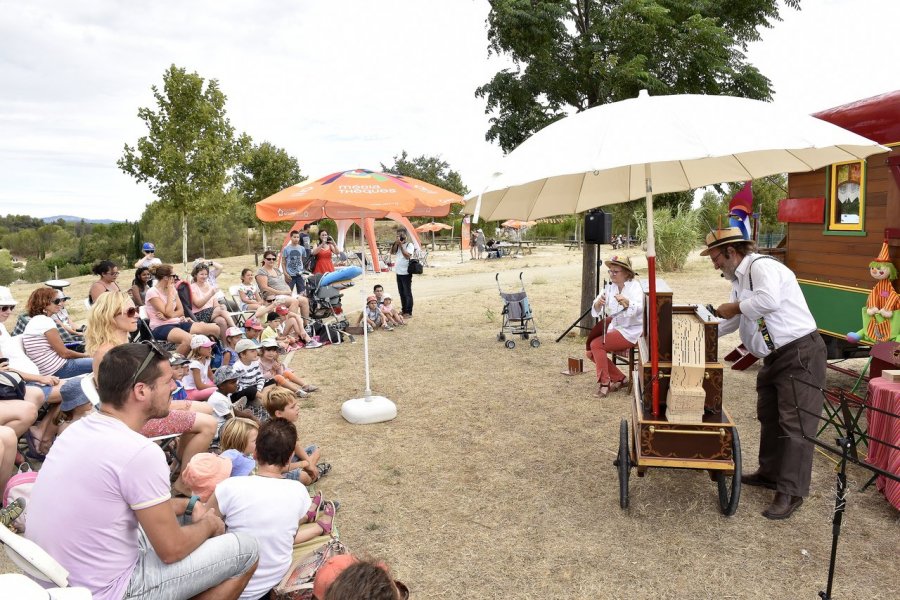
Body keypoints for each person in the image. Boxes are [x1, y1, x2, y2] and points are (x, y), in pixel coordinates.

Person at [26, 343, 259, 600]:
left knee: (185, 519)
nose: (174, 387)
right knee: (246, 551)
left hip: (58, 583)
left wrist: (187, 505)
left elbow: (115, 507)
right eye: (168, 381)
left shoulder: (77, 430)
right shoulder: (139, 453)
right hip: (109, 591)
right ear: (141, 391)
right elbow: (172, 550)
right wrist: (208, 525)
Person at [703, 227, 827, 520]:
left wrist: (733, 307)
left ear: (732, 252)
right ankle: (770, 473)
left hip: (799, 353)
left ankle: (792, 491)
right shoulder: (739, 279)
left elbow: (767, 302)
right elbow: (734, 321)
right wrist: (703, 331)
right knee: (770, 416)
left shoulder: (762, 267)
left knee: (796, 424)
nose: (715, 264)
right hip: (774, 358)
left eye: (716, 257)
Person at [85, 292, 217, 497]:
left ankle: (177, 467)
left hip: (138, 411)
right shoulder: (111, 353)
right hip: (133, 420)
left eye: (136, 310)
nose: (137, 315)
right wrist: (172, 405)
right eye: (130, 311)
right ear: (110, 316)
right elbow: (129, 400)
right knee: (209, 423)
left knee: (208, 409)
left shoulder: (119, 348)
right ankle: (183, 483)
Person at [204, 418, 336, 600]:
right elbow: (287, 536)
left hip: (227, 587)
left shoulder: (228, 487)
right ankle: (319, 526)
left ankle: (318, 525)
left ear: (255, 453)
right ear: (290, 457)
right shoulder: (298, 492)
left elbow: (205, 525)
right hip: (271, 587)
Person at [585, 256, 643, 397]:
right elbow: (596, 307)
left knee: (596, 345)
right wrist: (598, 303)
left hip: (632, 331)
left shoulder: (635, 287)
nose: (612, 274)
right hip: (615, 329)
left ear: (626, 273)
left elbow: (641, 309)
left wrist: (628, 303)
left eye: (615, 271)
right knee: (590, 352)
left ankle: (605, 383)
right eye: (610, 271)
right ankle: (621, 378)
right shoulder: (610, 287)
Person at [146, 264, 219, 356]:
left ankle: (208, 360)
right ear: (165, 278)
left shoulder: (173, 290)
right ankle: (174, 365)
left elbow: (181, 311)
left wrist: (170, 316)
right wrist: (169, 293)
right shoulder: (152, 292)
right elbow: (168, 312)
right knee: (188, 340)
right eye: (173, 276)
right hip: (160, 326)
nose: (176, 278)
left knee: (214, 329)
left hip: (177, 322)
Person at [22, 287, 92, 378]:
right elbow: (64, 353)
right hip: (59, 369)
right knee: (102, 362)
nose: (60, 304)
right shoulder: (45, 322)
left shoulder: (36, 320)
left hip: (50, 369)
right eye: (56, 301)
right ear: (44, 303)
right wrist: (86, 355)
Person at [262, 388, 328, 484]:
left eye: (296, 404)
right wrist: (303, 463)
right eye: (292, 407)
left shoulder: (287, 426)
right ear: (279, 413)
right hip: (278, 471)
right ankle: (311, 476)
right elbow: (278, 468)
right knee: (303, 477)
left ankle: (310, 470)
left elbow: (296, 446)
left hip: (289, 463)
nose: (298, 408)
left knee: (315, 449)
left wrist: (308, 463)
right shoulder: (276, 436)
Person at [256, 250, 311, 321]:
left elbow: (284, 283)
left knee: (304, 300)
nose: (271, 260)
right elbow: (264, 287)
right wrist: (282, 293)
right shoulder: (262, 271)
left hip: (285, 294)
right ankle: (289, 327)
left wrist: (289, 291)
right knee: (294, 301)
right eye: (269, 259)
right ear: (264, 259)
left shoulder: (277, 270)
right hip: (273, 297)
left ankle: (305, 326)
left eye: (273, 259)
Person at [190, 262, 235, 341]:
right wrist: (210, 294)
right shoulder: (192, 287)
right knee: (221, 311)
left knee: (222, 321)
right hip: (198, 316)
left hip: (211, 314)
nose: (204, 276)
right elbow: (198, 304)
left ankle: (225, 345)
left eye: (206, 274)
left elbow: (215, 305)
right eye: (201, 274)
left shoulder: (210, 287)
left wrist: (221, 307)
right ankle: (234, 328)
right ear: (195, 275)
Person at [390, 230, 415, 319]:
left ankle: (409, 312)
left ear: (405, 236)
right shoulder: (397, 245)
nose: (399, 237)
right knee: (401, 293)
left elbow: (407, 256)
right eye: (397, 235)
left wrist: (401, 246)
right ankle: (404, 310)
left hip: (406, 273)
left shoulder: (409, 245)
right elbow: (392, 252)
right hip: (398, 272)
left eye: (401, 235)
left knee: (407, 292)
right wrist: (396, 244)